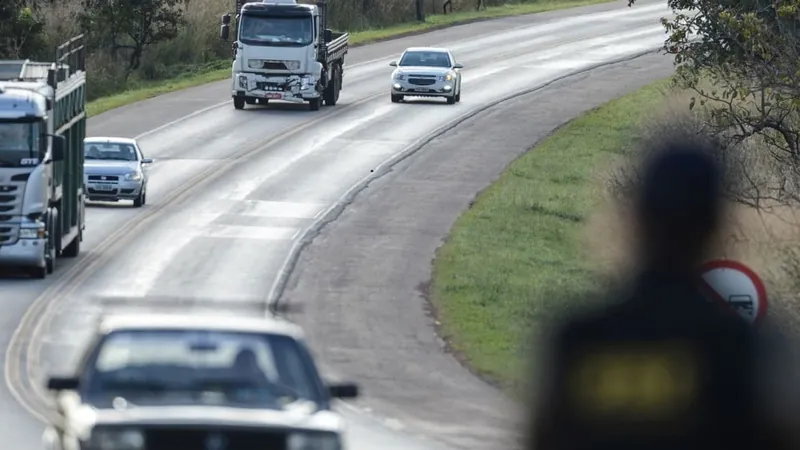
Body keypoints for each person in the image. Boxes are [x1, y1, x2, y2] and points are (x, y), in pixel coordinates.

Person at [523, 136, 766, 450]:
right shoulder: (749, 352)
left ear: (637, 217)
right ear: (717, 224)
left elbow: (543, 435)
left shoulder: (579, 341)